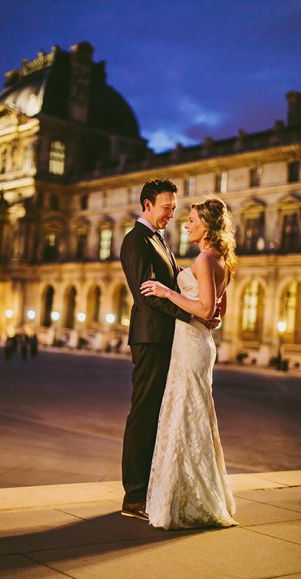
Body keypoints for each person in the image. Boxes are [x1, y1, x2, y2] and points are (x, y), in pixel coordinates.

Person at [119, 179, 219, 522]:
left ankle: (148, 489)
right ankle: (133, 497)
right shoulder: (136, 241)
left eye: (175, 208)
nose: (172, 214)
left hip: (168, 338)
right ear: (147, 205)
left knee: (158, 414)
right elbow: (146, 292)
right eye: (166, 207)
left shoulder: (158, 240)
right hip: (151, 338)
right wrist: (192, 315)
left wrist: (198, 311)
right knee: (144, 414)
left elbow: (170, 284)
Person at [140, 197, 237, 529]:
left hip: (193, 344)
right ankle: (190, 493)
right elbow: (217, 312)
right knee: (191, 417)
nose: (186, 223)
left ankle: (185, 498)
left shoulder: (207, 259)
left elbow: (207, 310)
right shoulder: (219, 259)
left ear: (207, 225)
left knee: (185, 416)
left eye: (193, 219)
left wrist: (166, 292)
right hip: (195, 342)